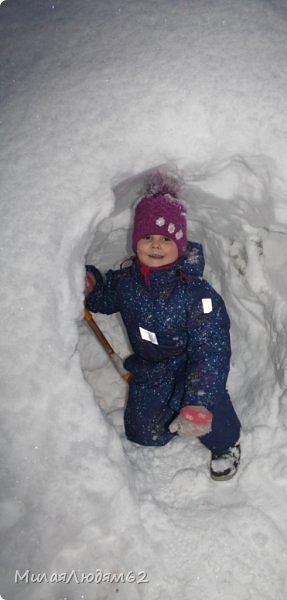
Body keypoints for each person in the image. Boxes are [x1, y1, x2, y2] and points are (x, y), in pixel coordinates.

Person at [85, 171, 241, 481]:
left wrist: (198, 401)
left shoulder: (198, 295)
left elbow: (210, 350)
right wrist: (91, 286)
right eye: (148, 237)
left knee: (205, 402)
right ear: (136, 241)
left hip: (189, 369)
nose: (156, 246)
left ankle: (224, 442)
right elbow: (104, 299)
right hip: (151, 368)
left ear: (180, 244)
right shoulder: (127, 283)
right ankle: (174, 410)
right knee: (145, 435)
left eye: (166, 239)